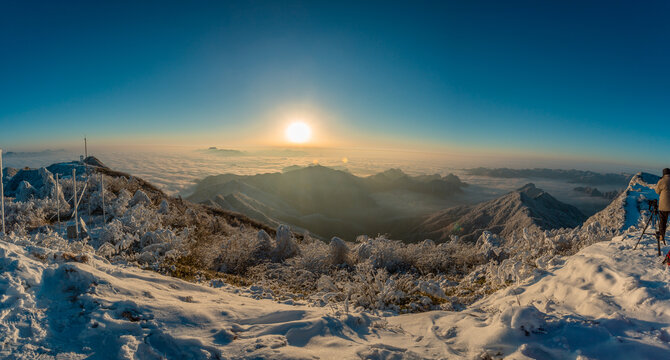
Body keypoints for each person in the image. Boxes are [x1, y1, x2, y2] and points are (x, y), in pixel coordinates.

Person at [656, 168, 670, 244]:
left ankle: (662, 235)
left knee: (663, 221)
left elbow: (657, 191)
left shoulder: (662, 181)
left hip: (664, 205)